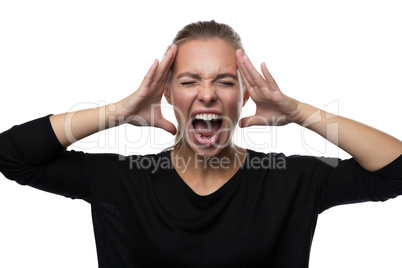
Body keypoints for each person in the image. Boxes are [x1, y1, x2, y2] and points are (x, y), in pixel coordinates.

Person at [0, 20, 401, 267]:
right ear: (169, 94)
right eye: (189, 81)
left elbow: (394, 172)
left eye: (225, 81)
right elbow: (12, 155)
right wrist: (119, 111)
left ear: (244, 96)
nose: (207, 94)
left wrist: (297, 111)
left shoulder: (292, 180)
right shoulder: (121, 181)